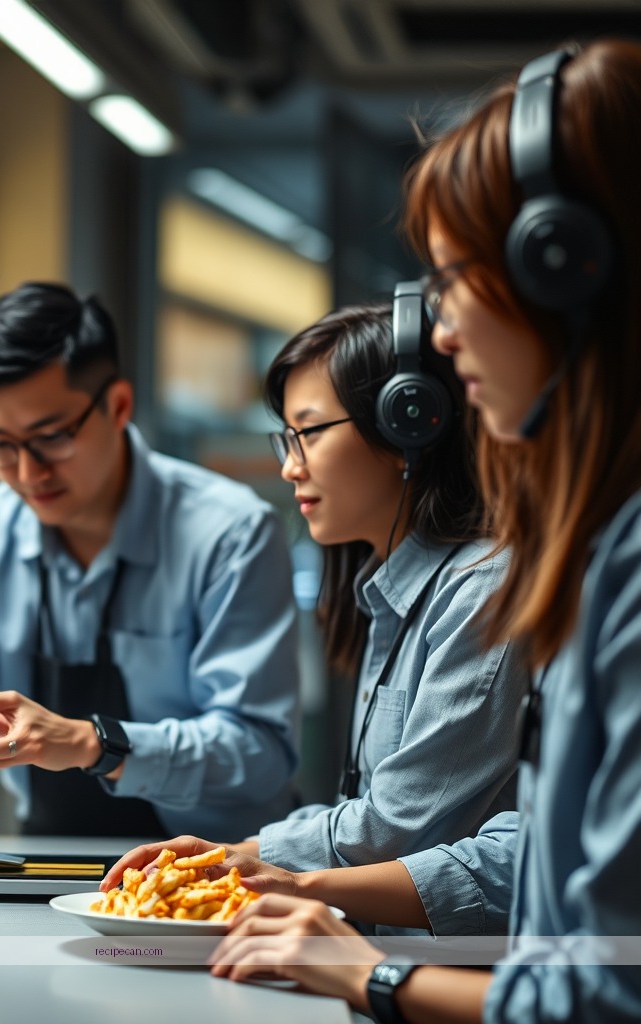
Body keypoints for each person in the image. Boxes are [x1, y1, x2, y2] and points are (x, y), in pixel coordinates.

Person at [203, 39, 641, 1024]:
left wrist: (368, 974)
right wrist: (305, 886)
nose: (442, 338)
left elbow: (599, 994)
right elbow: (538, 849)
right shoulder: (600, 556)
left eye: (458, 280)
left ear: (563, 268)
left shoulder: (608, 576)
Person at [102, 300, 527, 906]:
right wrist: (238, 856)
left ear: (408, 424)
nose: (288, 465)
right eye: (287, 438)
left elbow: (391, 827)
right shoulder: (391, 591)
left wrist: (243, 859)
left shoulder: (484, 592)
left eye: (308, 433)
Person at [0, 281, 301, 840]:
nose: (27, 473)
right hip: (49, 866)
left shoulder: (229, 533)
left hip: (215, 871)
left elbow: (260, 752)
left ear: (118, 406)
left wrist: (95, 745)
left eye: (51, 437)